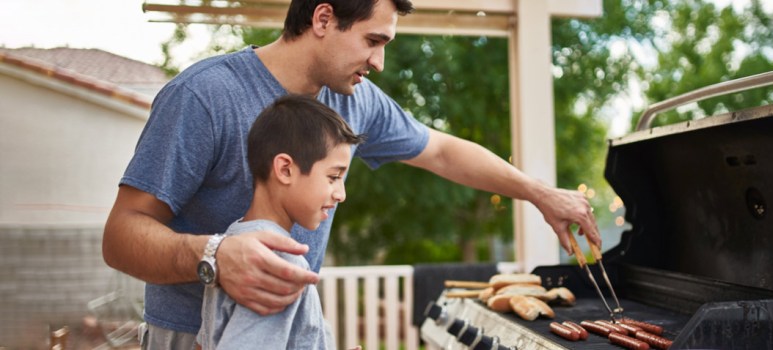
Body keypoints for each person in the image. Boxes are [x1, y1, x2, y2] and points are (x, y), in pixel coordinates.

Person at [103, 0, 601, 348]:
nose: (379, 61)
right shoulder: (205, 97)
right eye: (373, 40)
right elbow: (121, 235)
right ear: (323, 18)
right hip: (191, 336)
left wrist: (540, 194)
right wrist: (216, 255)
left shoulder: (352, 100)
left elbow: (443, 152)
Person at [198, 94, 362, 350]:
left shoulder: (234, 240)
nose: (342, 194)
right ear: (285, 169)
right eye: (333, 177)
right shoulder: (279, 263)